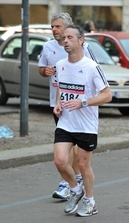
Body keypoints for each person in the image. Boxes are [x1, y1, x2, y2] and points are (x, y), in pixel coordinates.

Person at [53, 25, 112, 217]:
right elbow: (62, 87)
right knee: (60, 161)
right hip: (66, 122)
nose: (66, 41)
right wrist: (58, 103)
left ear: (81, 40)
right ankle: (75, 190)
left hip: (86, 125)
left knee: (83, 164)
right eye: (64, 38)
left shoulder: (92, 67)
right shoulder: (60, 65)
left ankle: (90, 201)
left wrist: (84, 102)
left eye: (70, 37)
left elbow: (107, 95)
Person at [38, 13, 97, 200]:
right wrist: (45, 71)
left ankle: (74, 182)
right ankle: (72, 182)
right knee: (65, 146)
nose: (55, 30)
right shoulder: (48, 47)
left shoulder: (83, 48)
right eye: (52, 27)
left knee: (76, 150)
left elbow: (95, 72)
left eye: (58, 26)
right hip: (59, 102)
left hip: (82, 107)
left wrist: (86, 101)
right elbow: (43, 70)